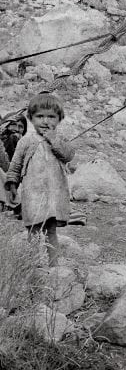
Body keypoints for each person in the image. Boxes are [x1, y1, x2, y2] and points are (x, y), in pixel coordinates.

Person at [4, 93, 74, 267]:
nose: (45, 121)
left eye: (51, 116)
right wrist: (12, 185)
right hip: (33, 194)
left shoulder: (59, 139)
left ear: (59, 119)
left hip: (54, 195)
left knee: (51, 231)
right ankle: (32, 266)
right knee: (33, 230)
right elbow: (15, 165)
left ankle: (54, 267)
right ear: (31, 118)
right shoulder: (26, 141)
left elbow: (68, 155)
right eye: (40, 116)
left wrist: (52, 139)